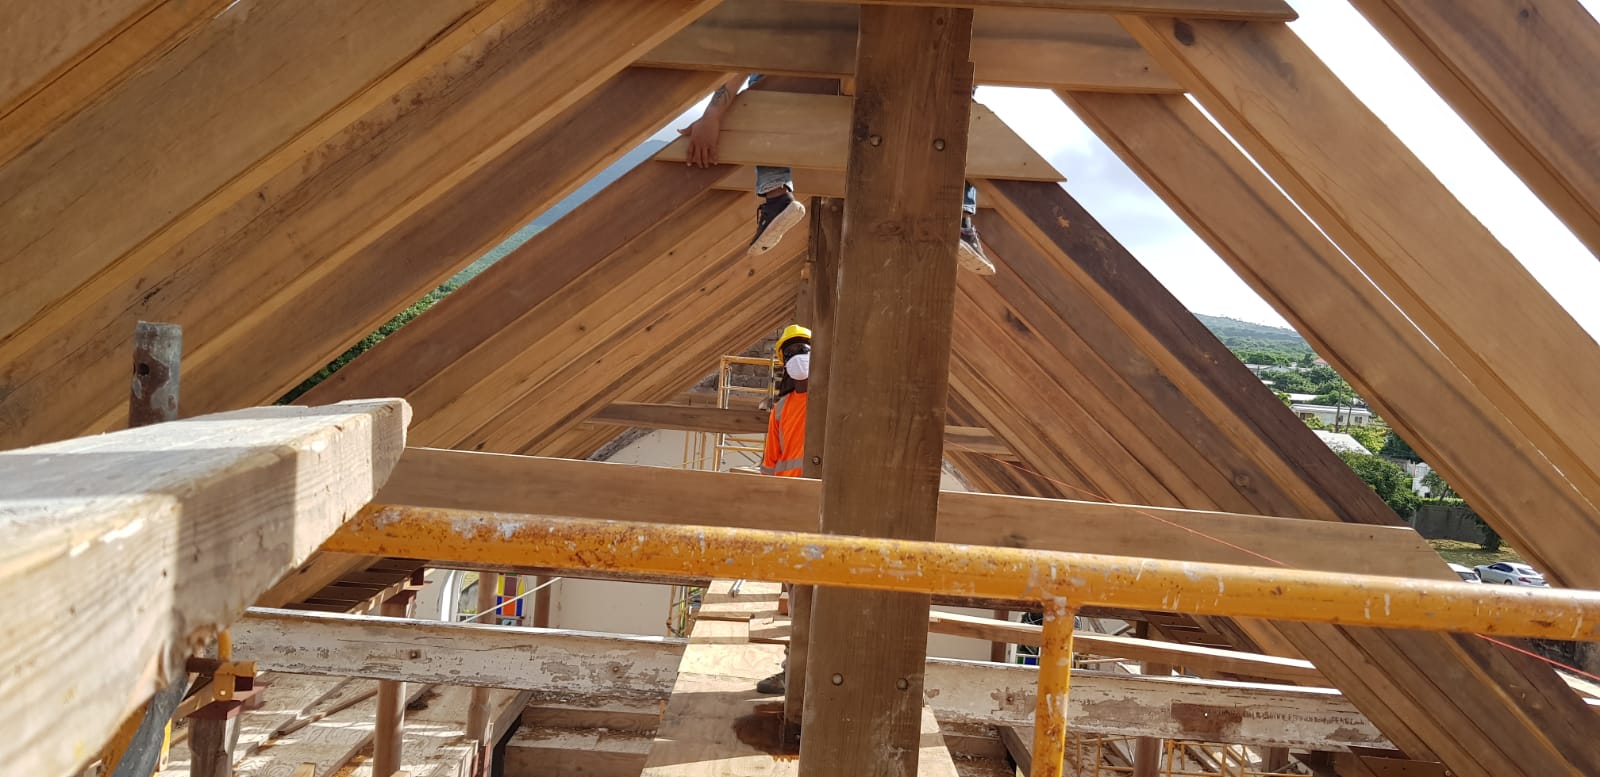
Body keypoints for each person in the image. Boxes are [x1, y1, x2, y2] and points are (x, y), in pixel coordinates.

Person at [678, 73, 995, 275]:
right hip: (884, 84)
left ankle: (776, 195)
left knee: (761, 92)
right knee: (957, 99)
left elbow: (743, 59)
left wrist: (713, 114)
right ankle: (961, 219)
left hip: (826, 86)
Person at [753, 324, 811, 694]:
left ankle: (810, 674)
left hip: (829, 509)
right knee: (797, 593)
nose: (798, 359)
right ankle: (796, 672)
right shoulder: (780, 410)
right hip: (793, 512)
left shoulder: (835, 399)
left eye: (803, 350)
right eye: (790, 354)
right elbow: (770, 466)